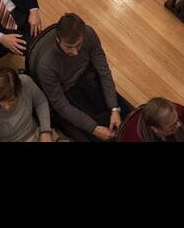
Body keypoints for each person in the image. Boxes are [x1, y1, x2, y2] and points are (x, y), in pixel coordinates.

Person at [33, 13, 122, 141]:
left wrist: (114, 108)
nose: (75, 52)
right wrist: (94, 129)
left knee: (126, 118)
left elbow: (103, 71)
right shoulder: (46, 66)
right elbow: (61, 106)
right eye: (69, 47)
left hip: (91, 77)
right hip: (71, 95)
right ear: (58, 40)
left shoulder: (89, 34)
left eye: (78, 45)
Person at [0, 69, 54, 142]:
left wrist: (46, 130)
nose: (7, 107)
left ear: (19, 90)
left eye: (12, 100)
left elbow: (41, 102)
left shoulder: (26, 82)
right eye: (1, 101)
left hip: (36, 133)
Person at [118, 96, 184, 142]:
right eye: (172, 125)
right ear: (155, 128)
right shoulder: (133, 138)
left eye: (177, 120)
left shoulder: (179, 110)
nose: (179, 124)